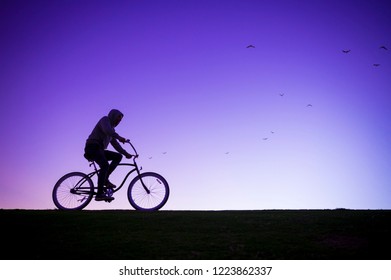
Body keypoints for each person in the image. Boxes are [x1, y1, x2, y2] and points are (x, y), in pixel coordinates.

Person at [84, 109, 132, 201]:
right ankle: (99, 194)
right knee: (105, 165)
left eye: (120, 120)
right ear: (113, 116)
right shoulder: (105, 120)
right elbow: (107, 130)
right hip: (92, 147)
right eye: (118, 118)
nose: (119, 121)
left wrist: (126, 154)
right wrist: (119, 137)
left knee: (118, 156)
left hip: (100, 149)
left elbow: (116, 145)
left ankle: (105, 179)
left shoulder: (112, 131)